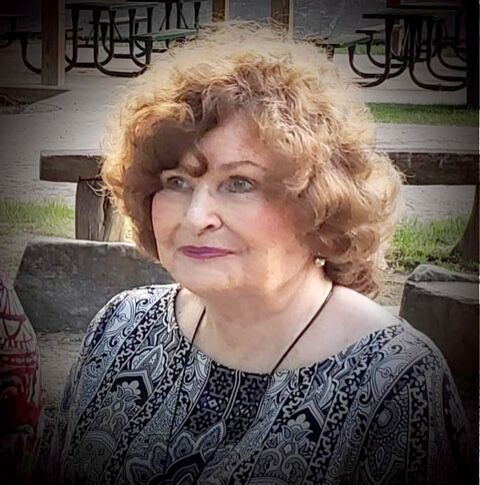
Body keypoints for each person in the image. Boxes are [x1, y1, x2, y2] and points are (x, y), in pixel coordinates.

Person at [48, 22, 474, 484]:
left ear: (319, 205)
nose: (196, 216)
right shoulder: (121, 328)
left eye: (239, 183)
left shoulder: (396, 382)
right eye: (178, 182)